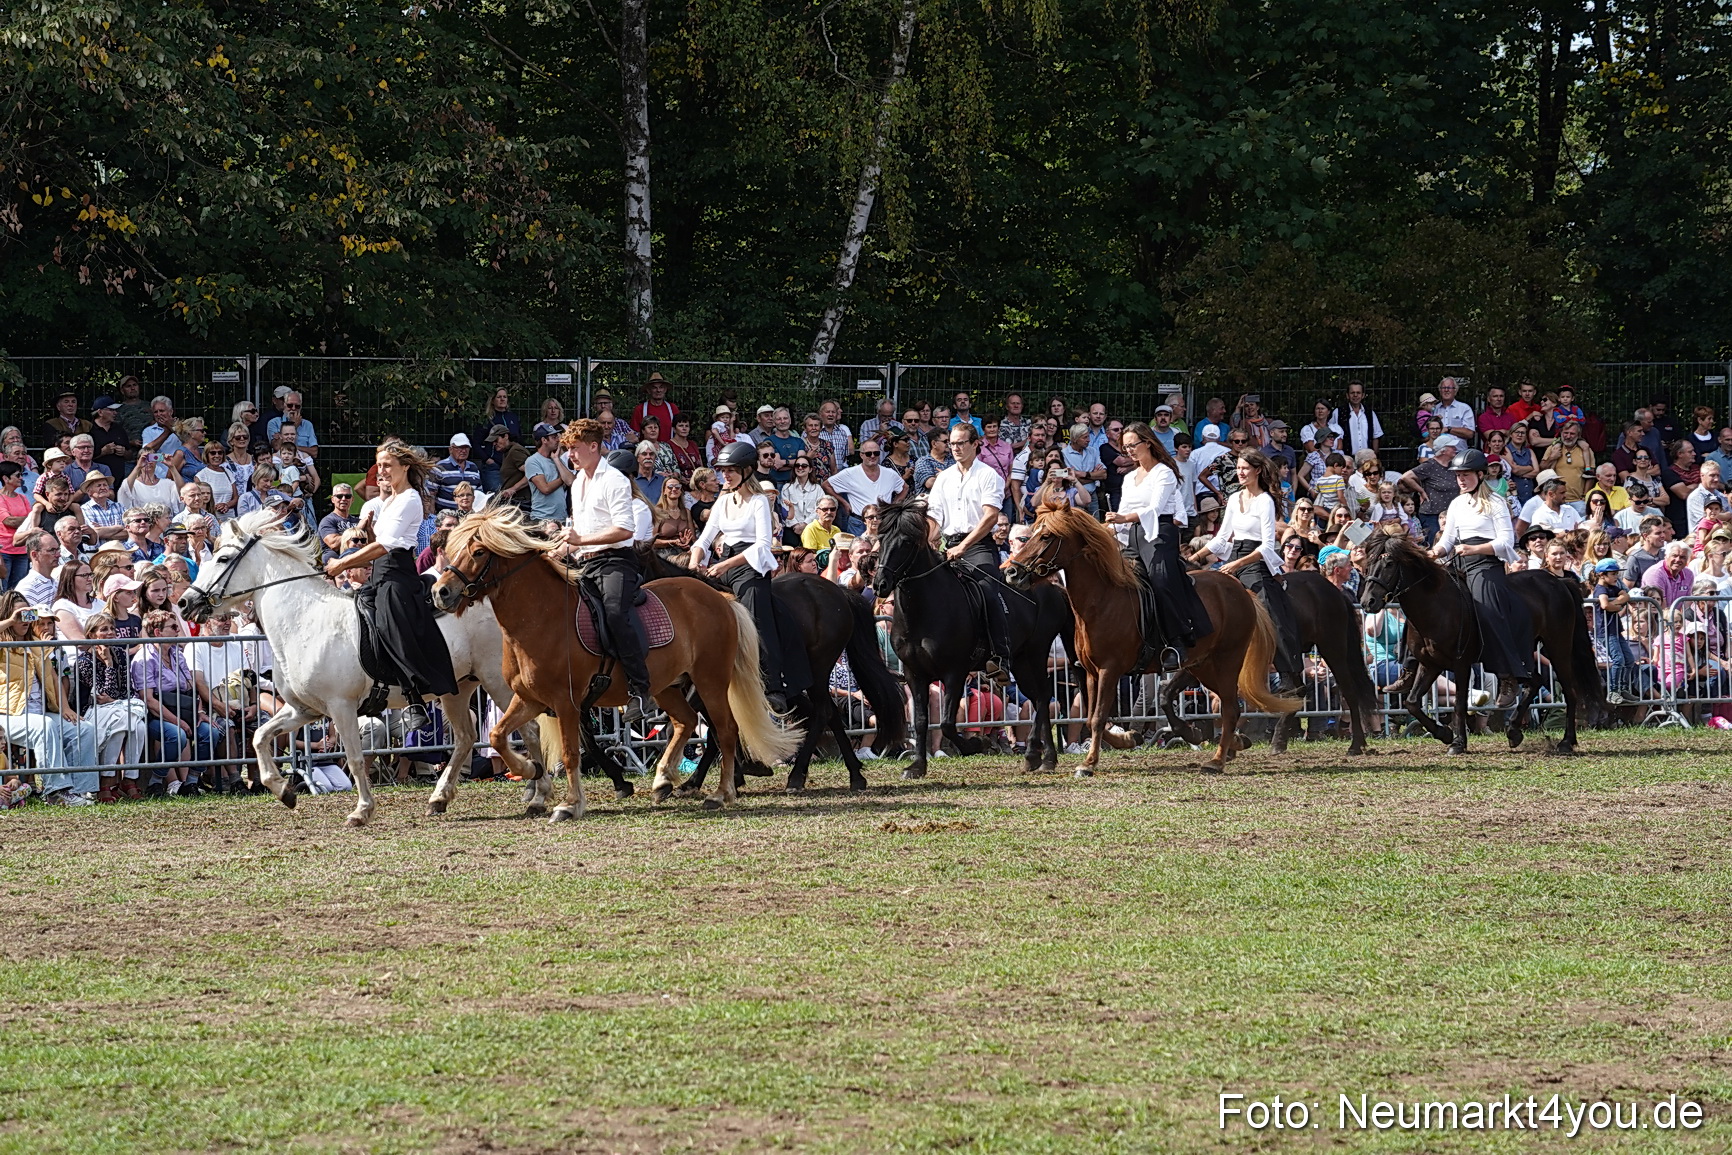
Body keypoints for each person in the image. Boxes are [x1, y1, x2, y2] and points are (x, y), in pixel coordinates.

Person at [334, 441, 458, 730]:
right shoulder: (387, 501)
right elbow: (384, 538)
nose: (383, 470)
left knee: (391, 616)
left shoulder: (411, 498)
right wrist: (370, 530)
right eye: (380, 465)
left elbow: (388, 546)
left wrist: (342, 564)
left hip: (398, 573)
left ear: (405, 467)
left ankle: (413, 695)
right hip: (379, 572)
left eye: (388, 464)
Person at [690, 441, 805, 711]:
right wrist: (695, 559)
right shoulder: (723, 500)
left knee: (758, 620)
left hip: (749, 566)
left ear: (747, 471)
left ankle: (773, 685)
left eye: (731, 471)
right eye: (722, 471)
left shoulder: (758, 502)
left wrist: (725, 565)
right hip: (723, 562)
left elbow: (763, 544)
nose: (725, 476)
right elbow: (705, 538)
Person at [1430, 448, 1533, 709]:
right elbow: (1448, 540)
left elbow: (1506, 542)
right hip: (1460, 562)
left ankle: (1508, 676)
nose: (1461, 480)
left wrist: (1475, 549)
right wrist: (1434, 552)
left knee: (1489, 612)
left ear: (1479, 474)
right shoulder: (1456, 503)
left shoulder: (1496, 502)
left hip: (1486, 566)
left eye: (1465, 475)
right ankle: (1412, 665)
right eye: (1458, 476)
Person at [1192, 450, 1302, 693]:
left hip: (1254, 559)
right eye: (1238, 468)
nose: (1240, 473)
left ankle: (1287, 672)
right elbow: (1221, 539)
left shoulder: (1264, 500)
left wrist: (1238, 565)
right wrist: (1193, 557)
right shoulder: (1233, 498)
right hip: (1234, 555)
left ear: (1257, 471)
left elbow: (1266, 544)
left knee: (1272, 612)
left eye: (1245, 468)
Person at [559, 419, 652, 702]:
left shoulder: (615, 480)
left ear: (594, 446)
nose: (570, 455)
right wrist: (560, 549)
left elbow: (625, 530)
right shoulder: (577, 484)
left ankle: (640, 688)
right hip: (583, 561)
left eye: (574, 449)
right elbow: (578, 532)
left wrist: (579, 541)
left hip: (616, 560)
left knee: (614, 613)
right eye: (568, 449)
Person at [1106, 422, 1211, 671]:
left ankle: (1176, 641)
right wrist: (1109, 528)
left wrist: (1122, 519)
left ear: (1148, 443)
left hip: (1161, 532)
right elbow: (1121, 513)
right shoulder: (1130, 477)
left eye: (1133, 445)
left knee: (1160, 581)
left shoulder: (1164, 472)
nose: (1129, 451)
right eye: (1125, 447)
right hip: (1133, 534)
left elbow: (1154, 508)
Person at [927, 423, 1012, 674]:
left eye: (961, 443)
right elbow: (934, 518)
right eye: (951, 443)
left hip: (978, 545)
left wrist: (964, 546)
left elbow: (990, 517)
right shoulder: (943, 477)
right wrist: (928, 539)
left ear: (975, 444)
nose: (955, 448)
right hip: (948, 544)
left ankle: (1000, 656)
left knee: (987, 591)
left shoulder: (989, 475)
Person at [825, 439, 905, 533]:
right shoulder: (849, 473)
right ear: (861, 455)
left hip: (883, 522)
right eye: (868, 453)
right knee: (858, 548)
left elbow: (904, 487)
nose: (872, 456)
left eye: (876, 453)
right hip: (859, 523)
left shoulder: (890, 473)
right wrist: (844, 503)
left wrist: (894, 505)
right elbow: (826, 485)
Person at [523, 421, 573, 525]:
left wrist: (557, 460)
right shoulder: (533, 461)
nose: (558, 440)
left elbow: (571, 481)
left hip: (562, 518)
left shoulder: (557, 459)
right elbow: (545, 488)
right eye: (554, 437)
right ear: (544, 440)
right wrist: (562, 479)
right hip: (542, 519)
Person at [432, 432, 482, 511]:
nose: (464, 451)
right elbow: (430, 495)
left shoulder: (474, 468)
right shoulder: (440, 467)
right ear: (450, 449)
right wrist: (432, 517)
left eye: (466, 447)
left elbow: (479, 495)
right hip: (445, 518)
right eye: (460, 447)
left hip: (469, 517)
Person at [318, 484, 359, 562]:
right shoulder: (328, 520)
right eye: (339, 496)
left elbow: (371, 542)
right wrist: (358, 529)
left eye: (348, 496)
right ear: (333, 499)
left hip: (357, 562)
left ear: (352, 499)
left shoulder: (358, 521)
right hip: (336, 564)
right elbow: (334, 544)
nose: (343, 499)